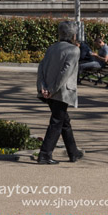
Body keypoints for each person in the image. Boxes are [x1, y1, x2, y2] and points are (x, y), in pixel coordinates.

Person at [35, 21, 85, 165]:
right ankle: (44, 154)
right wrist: (51, 89)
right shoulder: (74, 50)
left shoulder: (51, 48)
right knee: (57, 122)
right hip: (61, 92)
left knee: (64, 122)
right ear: (73, 34)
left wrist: (43, 87)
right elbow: (65, 73)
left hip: (50, 91)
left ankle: (73, 152)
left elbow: (41, 68)